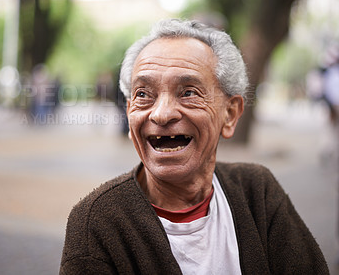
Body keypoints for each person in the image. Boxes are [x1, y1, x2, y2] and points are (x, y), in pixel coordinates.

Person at [60, 19, 328, 274]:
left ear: (230, 114)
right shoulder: (96, 221)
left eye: (188, 92)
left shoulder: (257, 190)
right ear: (130, 114)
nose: (161, 114)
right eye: (143, 95)